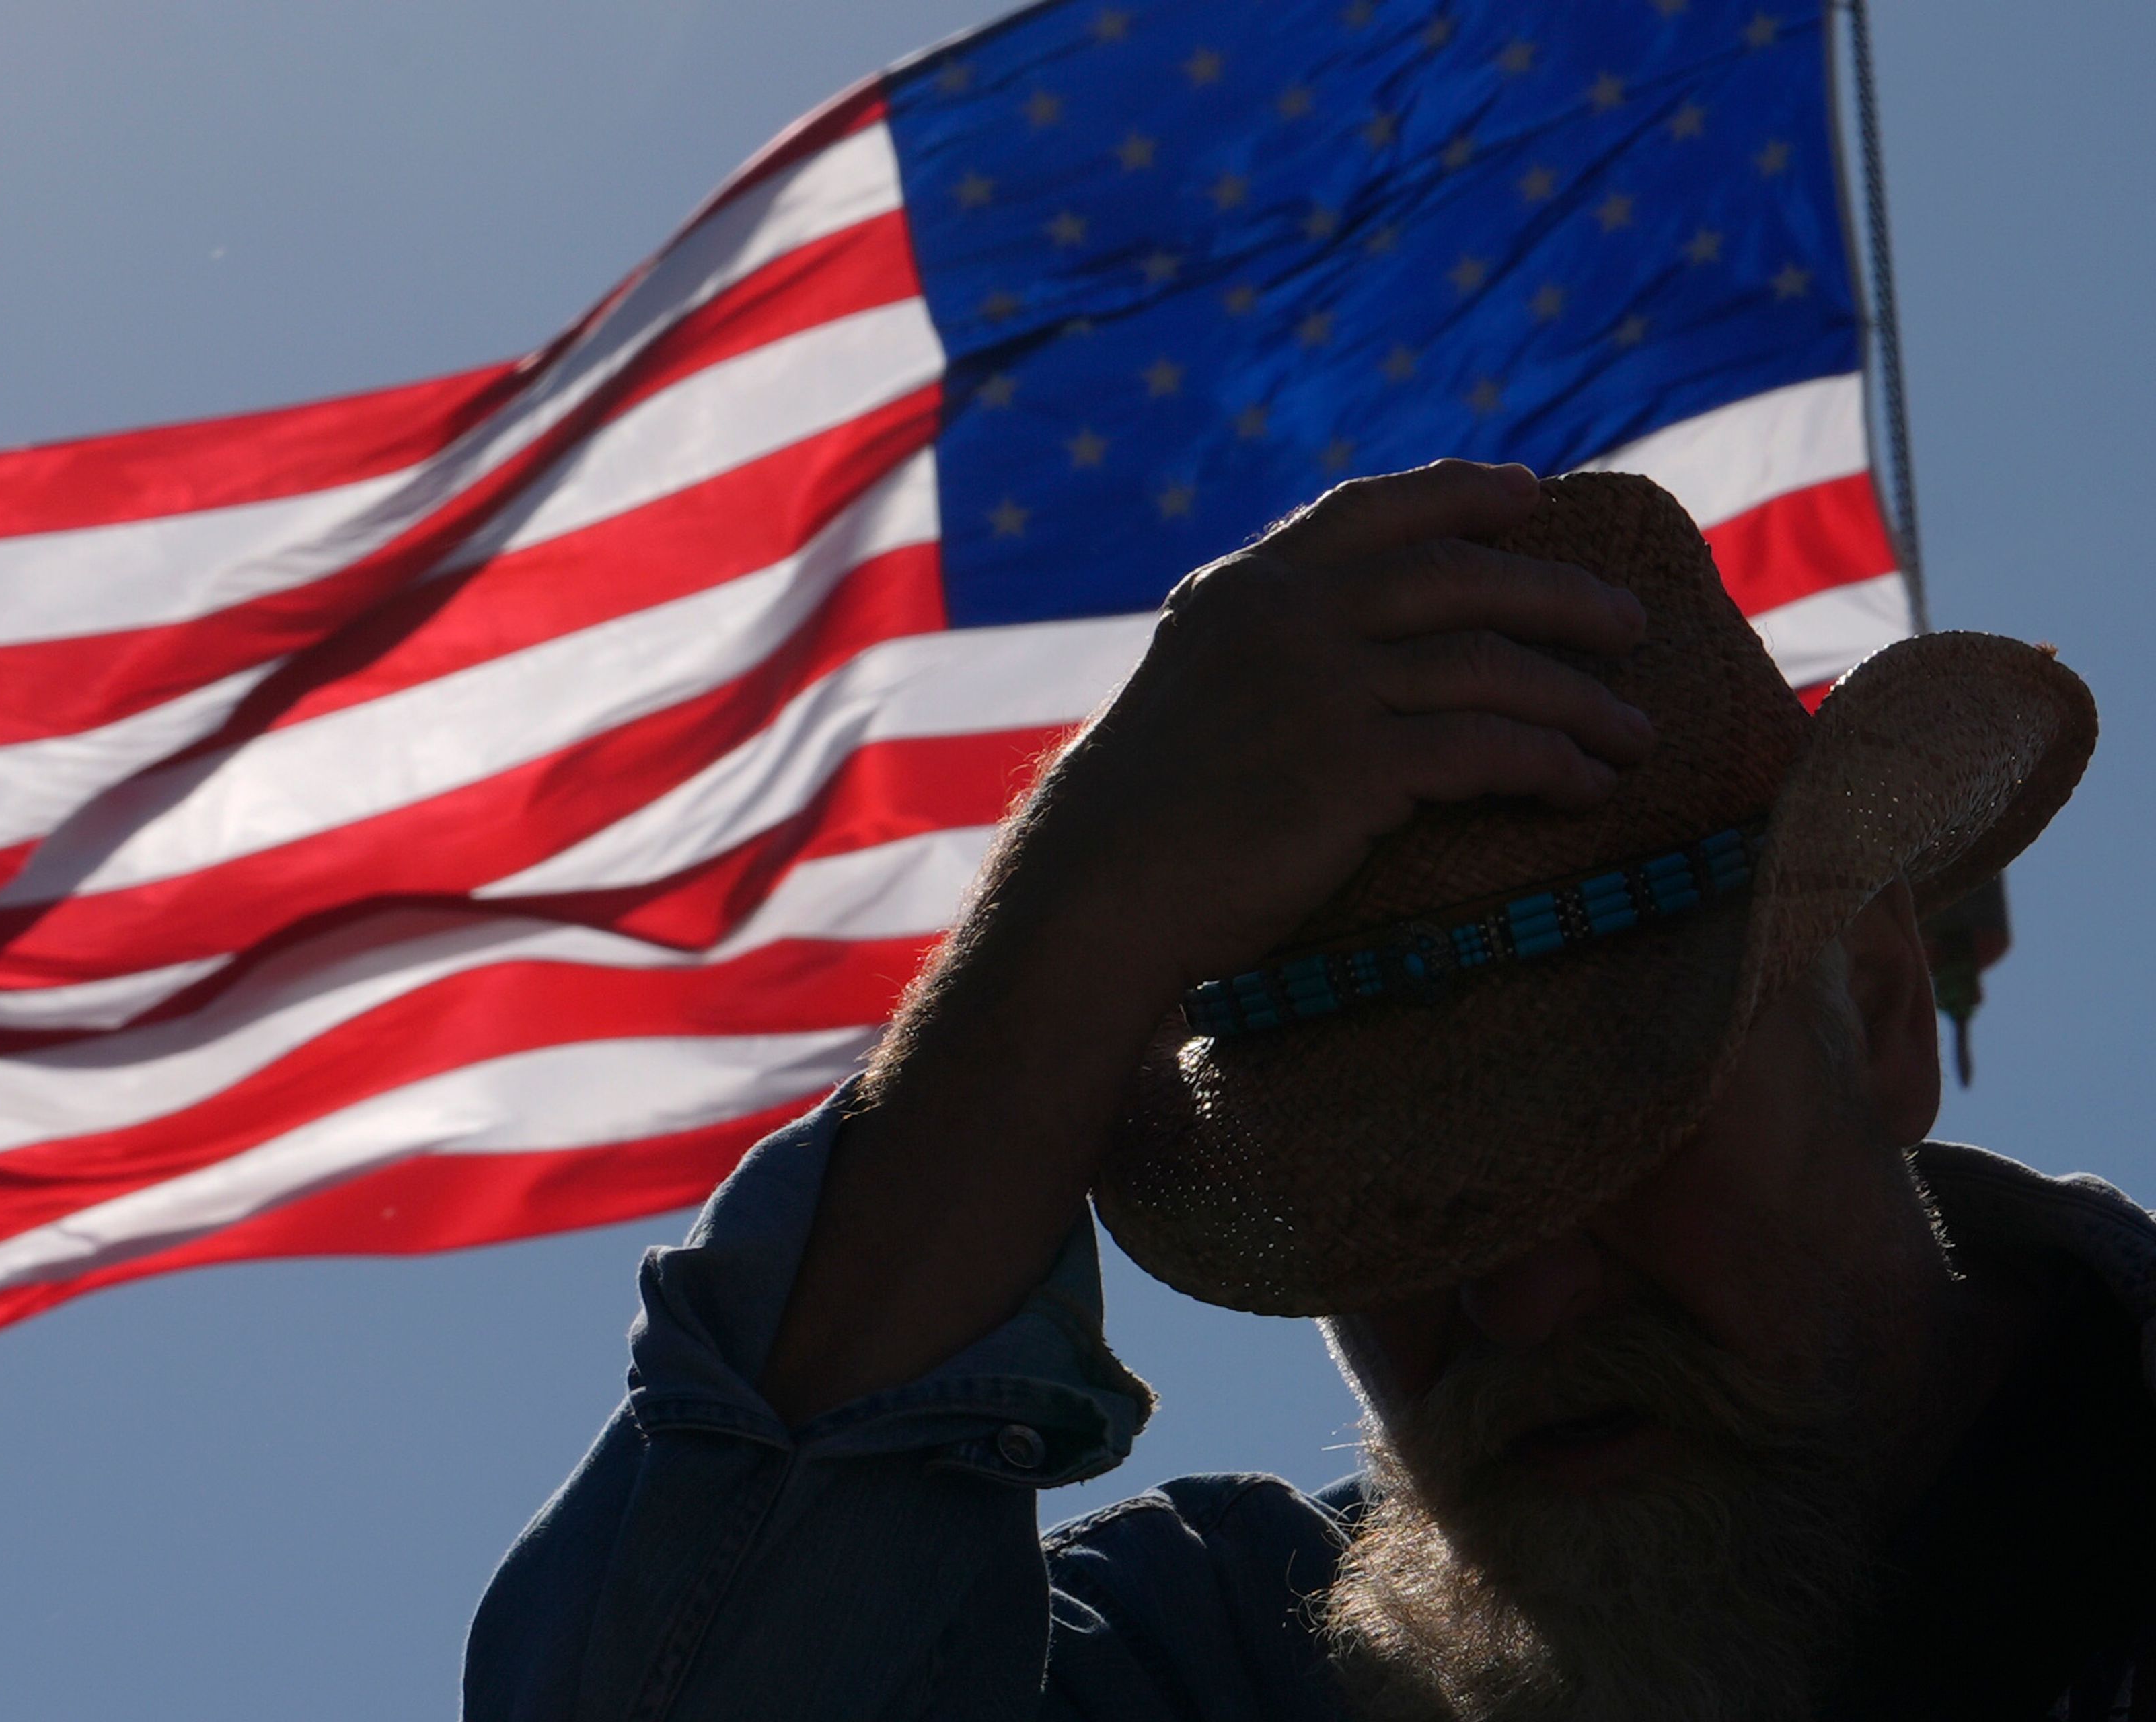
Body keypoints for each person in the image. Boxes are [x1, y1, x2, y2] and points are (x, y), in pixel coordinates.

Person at [463, 462, 2148, 1721]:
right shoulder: (1241, 1662)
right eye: (1386, 1200)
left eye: (1628, 1127)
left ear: (1873, 1012)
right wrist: (1071, 933)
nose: (1522, 1290)